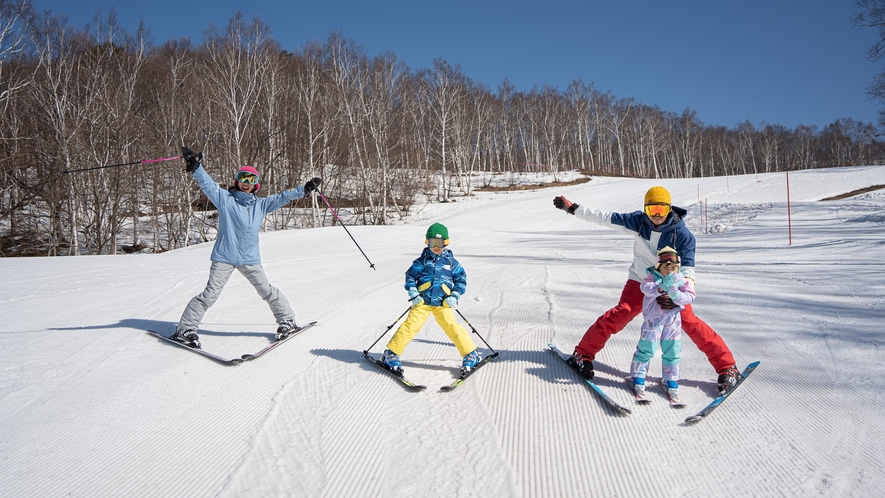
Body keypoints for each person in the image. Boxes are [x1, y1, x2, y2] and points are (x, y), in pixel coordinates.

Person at [553, 186, 742, 394]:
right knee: (621, 313)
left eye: (662, 210)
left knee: (689, 321)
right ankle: (583, 355)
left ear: (670, 209)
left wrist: (679, 297)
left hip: (671, 286)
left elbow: (688, 270)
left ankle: (727, 367)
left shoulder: (683, 236)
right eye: (653, 211)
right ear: (645, 210)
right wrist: (575, 210)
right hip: (640, 280)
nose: (657, 216)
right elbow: (606, 217)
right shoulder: (638, 222)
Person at [170, 146, 322, 348]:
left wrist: (304, 189)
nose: (246, 183)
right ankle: (185, 329)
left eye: (251, 180)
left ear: (256, 185)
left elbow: (283, 197)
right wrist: (196, 167)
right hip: (224, 256)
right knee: (210, 294)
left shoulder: (261, 205)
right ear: (237, 180)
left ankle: (287, 321)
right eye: (243, 178)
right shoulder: (225, 200)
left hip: (250, 258)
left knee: (266, 290)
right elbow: (208, 185)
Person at [380, 222, 481, 375]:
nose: (436, 246)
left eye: (439, 243)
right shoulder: (422, 262)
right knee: (410, 326)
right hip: (422, 302)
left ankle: (471, 354)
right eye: (432, 242)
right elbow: (410, 277)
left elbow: (461, 279)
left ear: (446, 243)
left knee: (452, 327)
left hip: (443, 302)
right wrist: (413, 293)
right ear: (427, 242)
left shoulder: (452, 263)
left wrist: (455, 295)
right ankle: (391, 353)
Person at [630, 246, 695, 401]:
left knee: (672, 349)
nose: (670, 271)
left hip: (673, 320)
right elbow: (645, 288)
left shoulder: (681, 279)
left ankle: (671, 379)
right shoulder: (652, 277)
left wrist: (678, 296)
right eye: (666, 267)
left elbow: (691, 296)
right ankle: (638, 376)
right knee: (647, 348)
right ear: (659, 266)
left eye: (673, 267)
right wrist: (661, 287)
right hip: (653, 320)